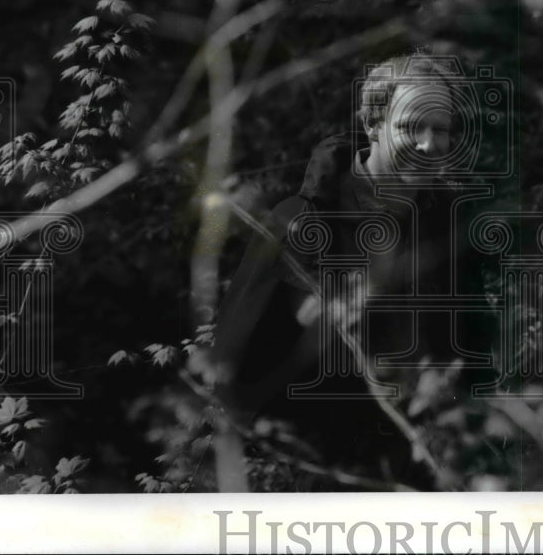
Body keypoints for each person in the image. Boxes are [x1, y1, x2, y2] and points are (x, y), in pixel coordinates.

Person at [212, 53, 496, 484]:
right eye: (411, 127)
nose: (429, 144)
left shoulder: (447, 227)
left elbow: (473, 352)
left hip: (431, 473)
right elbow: (236, 371)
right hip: (328, 479)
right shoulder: (302, 224)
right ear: (372, 126)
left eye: (441, 129)